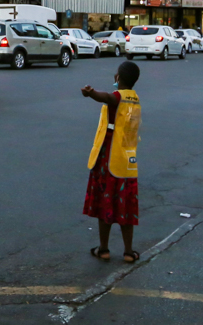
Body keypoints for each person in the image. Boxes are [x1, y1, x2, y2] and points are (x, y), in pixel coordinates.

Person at [82, 61, 142, 263]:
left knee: (104, 203)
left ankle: (104, 249)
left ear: (118, 78)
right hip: (128, 161)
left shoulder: (117, 97)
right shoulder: (135, 99)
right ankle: (128, 252)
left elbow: (107, 97)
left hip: (108, 158)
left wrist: (91, 93)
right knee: (126, 206)